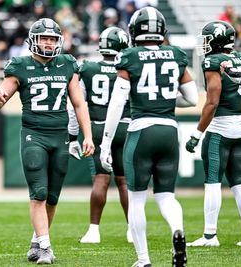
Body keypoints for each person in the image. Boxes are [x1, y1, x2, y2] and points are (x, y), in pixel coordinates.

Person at [0, 18, 95, 264]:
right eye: (44, 38)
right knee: (39, 193)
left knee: (53, 196)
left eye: (52, 39)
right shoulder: (19, 66)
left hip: (60, 136)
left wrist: (87, 135)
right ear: (33, 40)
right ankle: (46, 247)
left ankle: (37, 242)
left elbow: (79, 104)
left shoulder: (67, 64)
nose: (48, 43)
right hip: (33, 134)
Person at [99, 7, 198, 267]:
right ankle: (177, 229)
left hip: (141, 131)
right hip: (168, 130)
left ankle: (143, 259)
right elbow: (192, 98)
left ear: (134, 31)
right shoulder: (176, 54)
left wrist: (106, 142)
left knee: (137, 198)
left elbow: (117, 104)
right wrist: (164, 99)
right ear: (161, 31)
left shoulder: (129, 56)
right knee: (167, 196)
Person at [185, 20, 241, 247]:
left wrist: (196, 133)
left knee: (212, 181)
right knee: (238, 182)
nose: (205, 43)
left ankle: (210, 235)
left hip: (221, 128)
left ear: (217, 39)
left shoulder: (213, 61)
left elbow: (212, 102)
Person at [67, 26, 132, 244]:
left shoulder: (87, 67)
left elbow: (76, 106)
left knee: (101, 181)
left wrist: (72, 136)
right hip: (124, 127)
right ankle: (132, 229)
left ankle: (94, 230)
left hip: (96, 127)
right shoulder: (129, 66)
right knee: (124, 182)